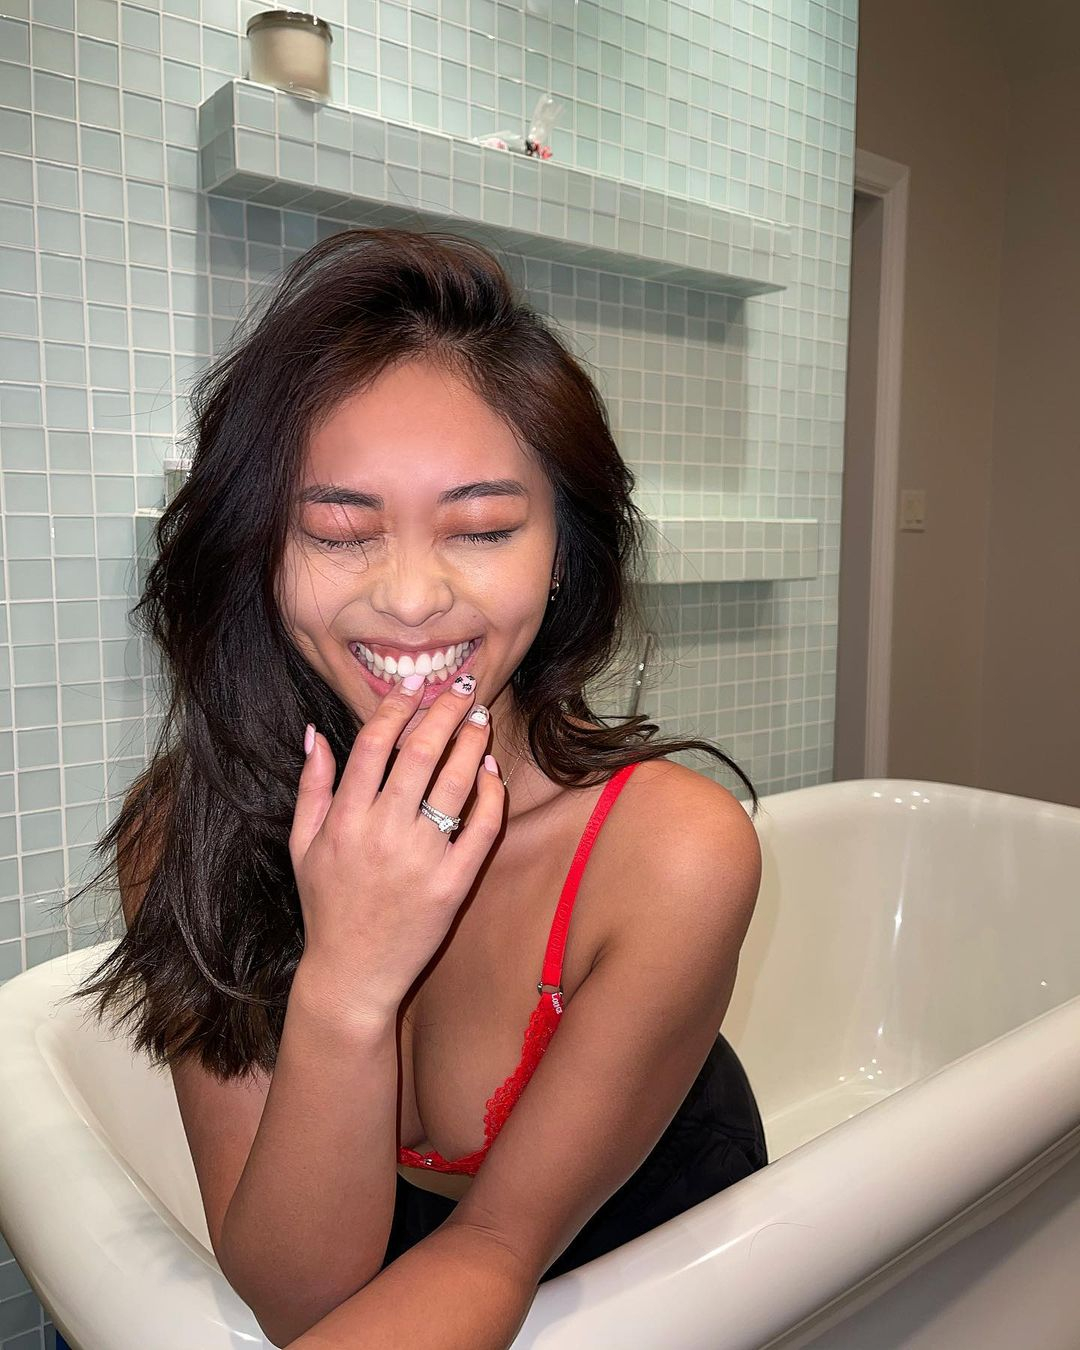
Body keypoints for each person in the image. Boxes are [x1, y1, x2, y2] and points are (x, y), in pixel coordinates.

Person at [63, 227, 768, 1349]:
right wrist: (347, 984)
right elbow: (296, 1299)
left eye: (481, 528)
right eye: (340, 532)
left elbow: (495, 1250)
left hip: (644, 1257)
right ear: (258, 552)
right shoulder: (188, 830)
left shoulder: (673, 852)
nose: (409, 596)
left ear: (563, 551)